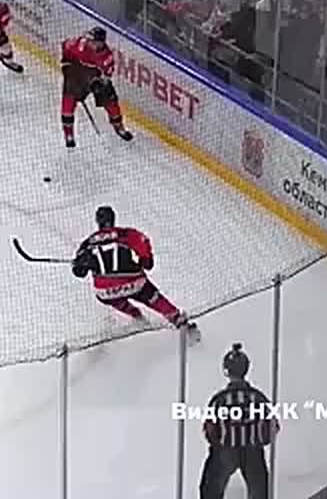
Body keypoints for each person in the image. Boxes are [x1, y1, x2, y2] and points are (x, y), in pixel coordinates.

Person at [73, 206, 200, 338]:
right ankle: (179, 320)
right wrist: (145, 260)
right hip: (133, 283)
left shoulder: (87, 243)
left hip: (105, 292)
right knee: (153, 297)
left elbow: (78, 272)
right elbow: (145, 251)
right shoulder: (125, 233)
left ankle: (137, 317)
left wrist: (82, 263)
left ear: (97, 222)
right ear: (113, 219)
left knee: (111, 298)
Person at [200, 343, 277, 499]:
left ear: (226, 371)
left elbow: (210, 429)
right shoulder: (258, 398)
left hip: (225, 451)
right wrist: (259, 441)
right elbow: (272, 426)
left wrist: (218, 444)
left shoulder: (219, 400)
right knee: (260, 491)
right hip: (253, 451)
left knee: (210, 489)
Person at [60, 27, 134, 144]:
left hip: (95, 75)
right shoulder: (81, 44)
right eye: (89, 39)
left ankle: (119, 128)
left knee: (111, 102)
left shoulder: (107, 57)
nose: (89, 42)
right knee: (68, 101)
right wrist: (66, 64)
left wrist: (98, 83)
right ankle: (69, 134)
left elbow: (107, 75)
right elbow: (65, 45)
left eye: (92, 41)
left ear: (100, 43)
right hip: (77, 71)